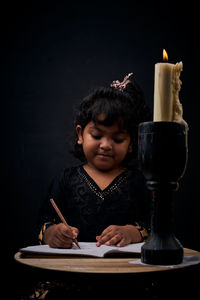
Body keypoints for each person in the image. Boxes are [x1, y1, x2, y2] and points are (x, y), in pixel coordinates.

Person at [38, 73, 151, 249]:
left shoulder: (139, 181)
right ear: (80, 134)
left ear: (131, 143)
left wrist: (131, 232)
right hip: (72, 268)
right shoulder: (65, 180)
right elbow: (44, 224)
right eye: (97, 135)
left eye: (118, 139)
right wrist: (54, 233)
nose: (106, 145)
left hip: (124, 270)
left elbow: (156, 225)